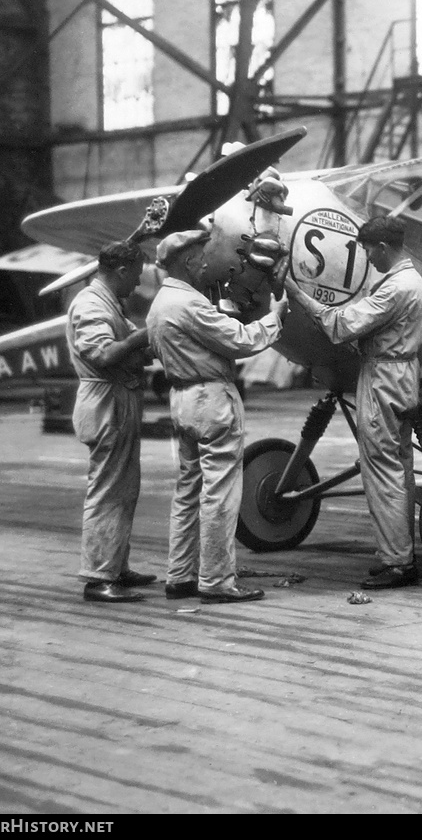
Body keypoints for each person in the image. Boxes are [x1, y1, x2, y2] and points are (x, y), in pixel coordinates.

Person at [284, 216, 422, 589]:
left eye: (367, 250)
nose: (366, 258)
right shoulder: (414, 284)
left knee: (382, 465)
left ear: (382, 247)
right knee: (397, 464)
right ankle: (394, 554)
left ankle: (398, 561)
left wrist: (296, 293)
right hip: (401, 373)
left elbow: (341, 325)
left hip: (384, 377)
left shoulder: (396, 288)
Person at [148, 229, 284, 604]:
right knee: (220, 493)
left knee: (188, 491)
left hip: (181, 400)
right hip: (211, 398)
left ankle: (180, 576)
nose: (207, 262)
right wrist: (275, 317)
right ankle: (217, 580)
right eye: (202, 257)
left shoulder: (161, 303)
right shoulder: (189, 305)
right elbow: (241, 340)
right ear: (189, 262)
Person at [66, 241, 155, 603]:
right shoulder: (90, 303)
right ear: (121, 270)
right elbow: (103, 354)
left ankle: (114, 566)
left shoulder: (107, 301)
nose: (136, 285)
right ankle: (99, 577)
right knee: (107, 491)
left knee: (122, 489)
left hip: (116, 400)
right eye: (134, 277)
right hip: (106, 403)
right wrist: (144, 335)